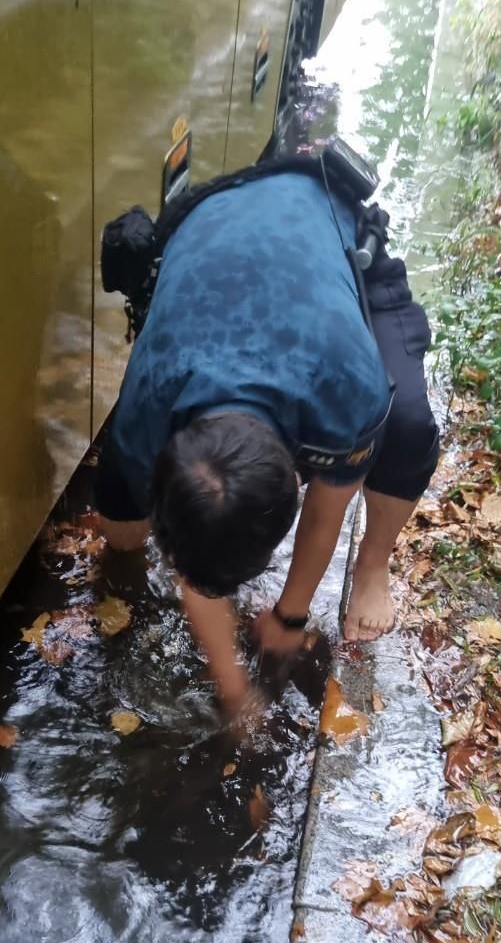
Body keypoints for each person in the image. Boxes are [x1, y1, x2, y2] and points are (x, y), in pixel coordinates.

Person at [92, 165, 439, 719]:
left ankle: (374, 564)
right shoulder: (149, 404)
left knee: (410, 428)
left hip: (318, 219)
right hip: (217, 222)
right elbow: (188, 545)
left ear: (291, 480)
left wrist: (291, 616)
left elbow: (327, 510)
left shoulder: (347, 385)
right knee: (121, 535)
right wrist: (234, 690)